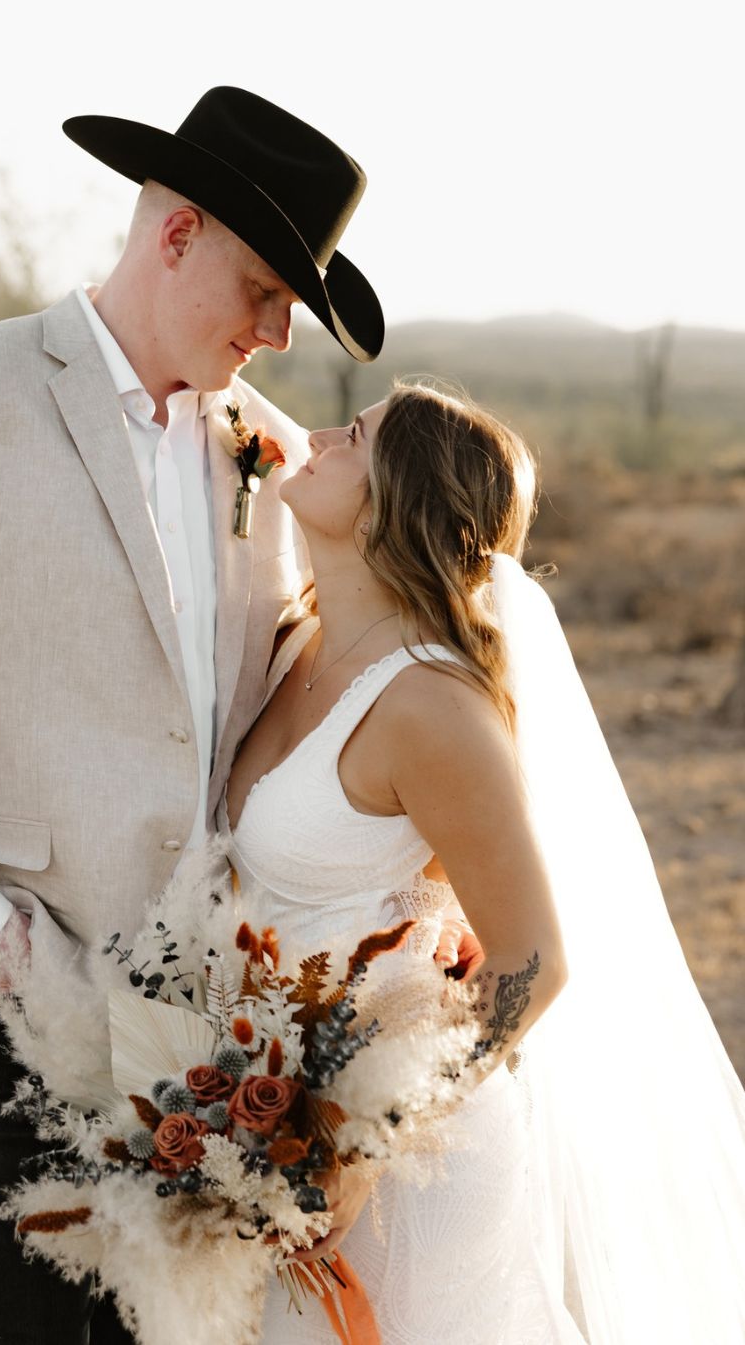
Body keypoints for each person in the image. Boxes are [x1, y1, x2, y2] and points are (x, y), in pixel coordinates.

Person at [0, 86, 472, 1345]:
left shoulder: (268, 452)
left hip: (212, 1054)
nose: (282, 334)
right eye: (267, 291)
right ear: (177, 234)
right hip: (3, 1019)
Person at [221, 381, 745, 1343]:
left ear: (395, 503)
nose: (320, 436)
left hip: (407, 1179)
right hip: (272, 1127)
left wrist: (364, 1147)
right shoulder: (295, 645)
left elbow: (533, 960)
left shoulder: (432, 706)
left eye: (355, 435)